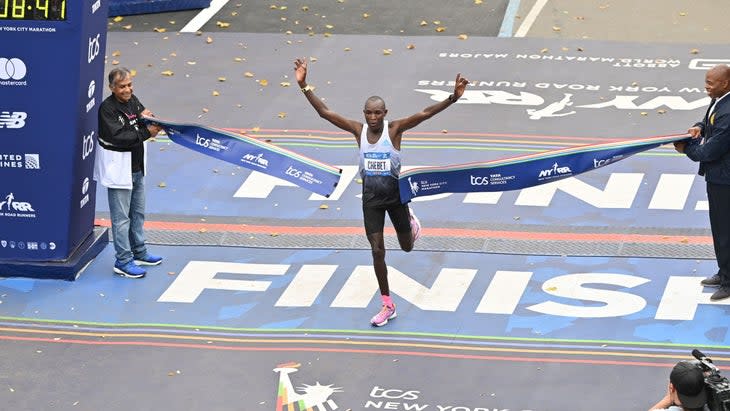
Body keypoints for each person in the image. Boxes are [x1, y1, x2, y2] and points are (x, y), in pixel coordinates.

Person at [294, 58, 469, 326]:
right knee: (377, 251)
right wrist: (304, 85)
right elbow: (325, 113)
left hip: (396, 198)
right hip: (371, 201)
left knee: (407, 248)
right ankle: (387, 304)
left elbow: (424, 113)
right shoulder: (358, 130)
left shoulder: (395, 129)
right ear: (364, 113)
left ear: (385, 113)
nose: (373, 118)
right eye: (368, 113)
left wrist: (452, 98)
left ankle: (410, 221)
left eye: (377, 113)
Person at [94, 67, 163, 279]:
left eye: (130, 85)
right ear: (112, 87)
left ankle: (139, 252)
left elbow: (140, 116)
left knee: (137, 213)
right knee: (121, 218)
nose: (127, 89)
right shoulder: (107, 109)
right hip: (118, 169)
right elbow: (119, 137)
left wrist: (147, 118)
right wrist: (146, 132)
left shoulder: (133, 100)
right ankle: (123, 261)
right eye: (122, 86)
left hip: (136, 167)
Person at [674, 64, 730, 301]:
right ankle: (724, 272)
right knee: (719, 229)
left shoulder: (729, 111)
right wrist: (698, 127)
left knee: (726, 230)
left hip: (725, 181)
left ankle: (728, 282)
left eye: (710, 83)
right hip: (718, 178)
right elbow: (710, 121)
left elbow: (710, 152)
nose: (706, 87)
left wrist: (687, 147)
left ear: (725, 83)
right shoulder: (721, 101)